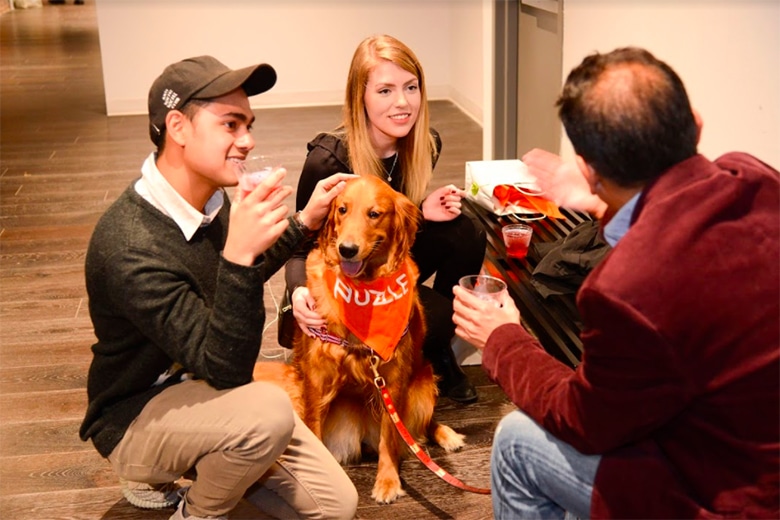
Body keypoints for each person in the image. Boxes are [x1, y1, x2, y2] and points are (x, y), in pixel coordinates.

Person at [452, 46, 779, 519]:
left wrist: (502, 339)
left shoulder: (623, 291)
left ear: (587, 168)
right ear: (695, 123)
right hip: (750, 442)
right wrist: (603, 200)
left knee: (516, 443)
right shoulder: (754, 177)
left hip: (732, 499)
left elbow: (583, 422)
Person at [79, 55, 358, 520]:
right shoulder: (128, 244)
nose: (247, 141)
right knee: (267, 412)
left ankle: (215, 456)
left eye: (248, 124)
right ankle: (193, 510)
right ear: (178, 127)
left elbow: (230, 283)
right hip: (136, 410)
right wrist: (239, 256)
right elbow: (228, 365)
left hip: (202, 378)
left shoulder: (209, 198)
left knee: (337, 507)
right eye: (230, 124)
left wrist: (305, 220)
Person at [284, 34, 486, 404]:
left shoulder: (426, 143)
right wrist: (298, 292)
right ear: (359, 96)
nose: (403, 103)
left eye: (411, 87)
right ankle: (402, 345)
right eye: (385, 91)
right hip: (342, 280)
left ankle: (436, 351)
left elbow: (389, 219)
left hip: (380, 264)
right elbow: (299, 250)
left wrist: (421, 210)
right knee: (432, 319)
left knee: (466, 228)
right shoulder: (329, 161)